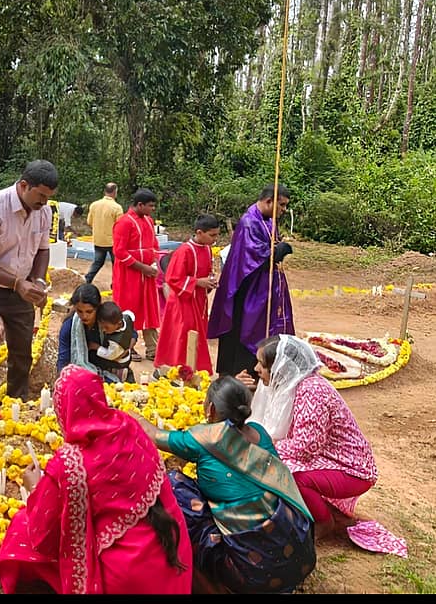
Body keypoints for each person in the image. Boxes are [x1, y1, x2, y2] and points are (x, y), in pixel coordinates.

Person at [0, 364, 192, 594]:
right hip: (175, 553)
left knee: (20, 529)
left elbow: (45, 535)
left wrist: (35, 486)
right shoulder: (129, 426)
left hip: (129, 578)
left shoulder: (70, 464)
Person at [134, 375, 316, 594]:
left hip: (252, 572)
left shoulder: (205, 437)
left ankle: (207, 580)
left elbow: (153, 434)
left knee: (174, 482)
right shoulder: (260, 433)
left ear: (211, 409)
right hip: (300, 557)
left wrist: (130, 416)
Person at [238, 334, 378, 541]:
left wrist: (264, 448)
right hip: (328, 458)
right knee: (268, 461)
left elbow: (305, 447)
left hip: (351, 469)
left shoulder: (312, 391)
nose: (256, 369)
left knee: (287, 473)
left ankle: (323, 522)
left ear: (281, 368)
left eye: (262, 364)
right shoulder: (287, 385)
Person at [0, 159, 58, 403]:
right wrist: (18, 283)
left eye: (48, 197)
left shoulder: (43, 211)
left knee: (22, 350)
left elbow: (42, 250)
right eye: (40, 196)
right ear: (24, 185)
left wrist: (37, 280)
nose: (44, 202)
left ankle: (17, 402)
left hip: (22, 288)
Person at [208, 183, 294, 376]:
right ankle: (241, 373)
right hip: (248, 289)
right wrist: (277, 252)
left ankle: (263, 369)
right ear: (268, 201)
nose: (283, 210)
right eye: (281, 205)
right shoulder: (249, 222)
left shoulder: (268, 220)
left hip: (265, 287)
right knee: (246, 329)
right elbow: (255, 257)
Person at [154, 214, 221, 374]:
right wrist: (198, 282)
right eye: (212, 235)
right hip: (183, 302)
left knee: (197, 336)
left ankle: (195, 370)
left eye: (216, 235)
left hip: (199, 300)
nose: (215, 239)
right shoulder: (184, 251)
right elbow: (173, 278)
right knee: (184, 337)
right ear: (199, 232)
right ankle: (178, 370)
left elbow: (206, 273)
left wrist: (210, 282)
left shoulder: (207, 249)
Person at [111, 188, 161, 362]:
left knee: (150, 309)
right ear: (140, 205)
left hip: (147, 275)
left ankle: (152, 348)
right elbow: (119, 252)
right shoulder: (124, 222)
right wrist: (142, 267)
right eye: (150, 205)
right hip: (129, 276)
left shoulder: (148, 220)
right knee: (128, 309)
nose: (152, 209)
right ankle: (127, 347)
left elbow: (154, 245)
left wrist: (153, 263)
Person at [56, 283, 104, 373]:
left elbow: (130, 332)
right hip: (81, 372)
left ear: (97, 308)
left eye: (89, 311)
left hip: (108, 368)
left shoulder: (107, 319)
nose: (84, 316)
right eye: (79, 311)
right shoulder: (69, 326)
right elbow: (63, 359)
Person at [84, 182, 122, 284]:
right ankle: (115, 284)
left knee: (97, 262)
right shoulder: (117, 207)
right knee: (116, 265)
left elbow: (89, 222)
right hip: (112, 242)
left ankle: (87, 280)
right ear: (115, 192)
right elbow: (120, 227)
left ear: (104, 191)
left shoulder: (94, 205)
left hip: (98, 240)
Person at [95, 301, 136, 383]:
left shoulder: (116, 342)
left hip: (119, 363)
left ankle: (122, 377)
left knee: (117, 381)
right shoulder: (126, 317)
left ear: (118, 324)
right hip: (127, 355)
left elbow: (110, 355)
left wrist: (96, 347)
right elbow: (131, 314)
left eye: (106, 327)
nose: (103, 330)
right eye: (101, 326)